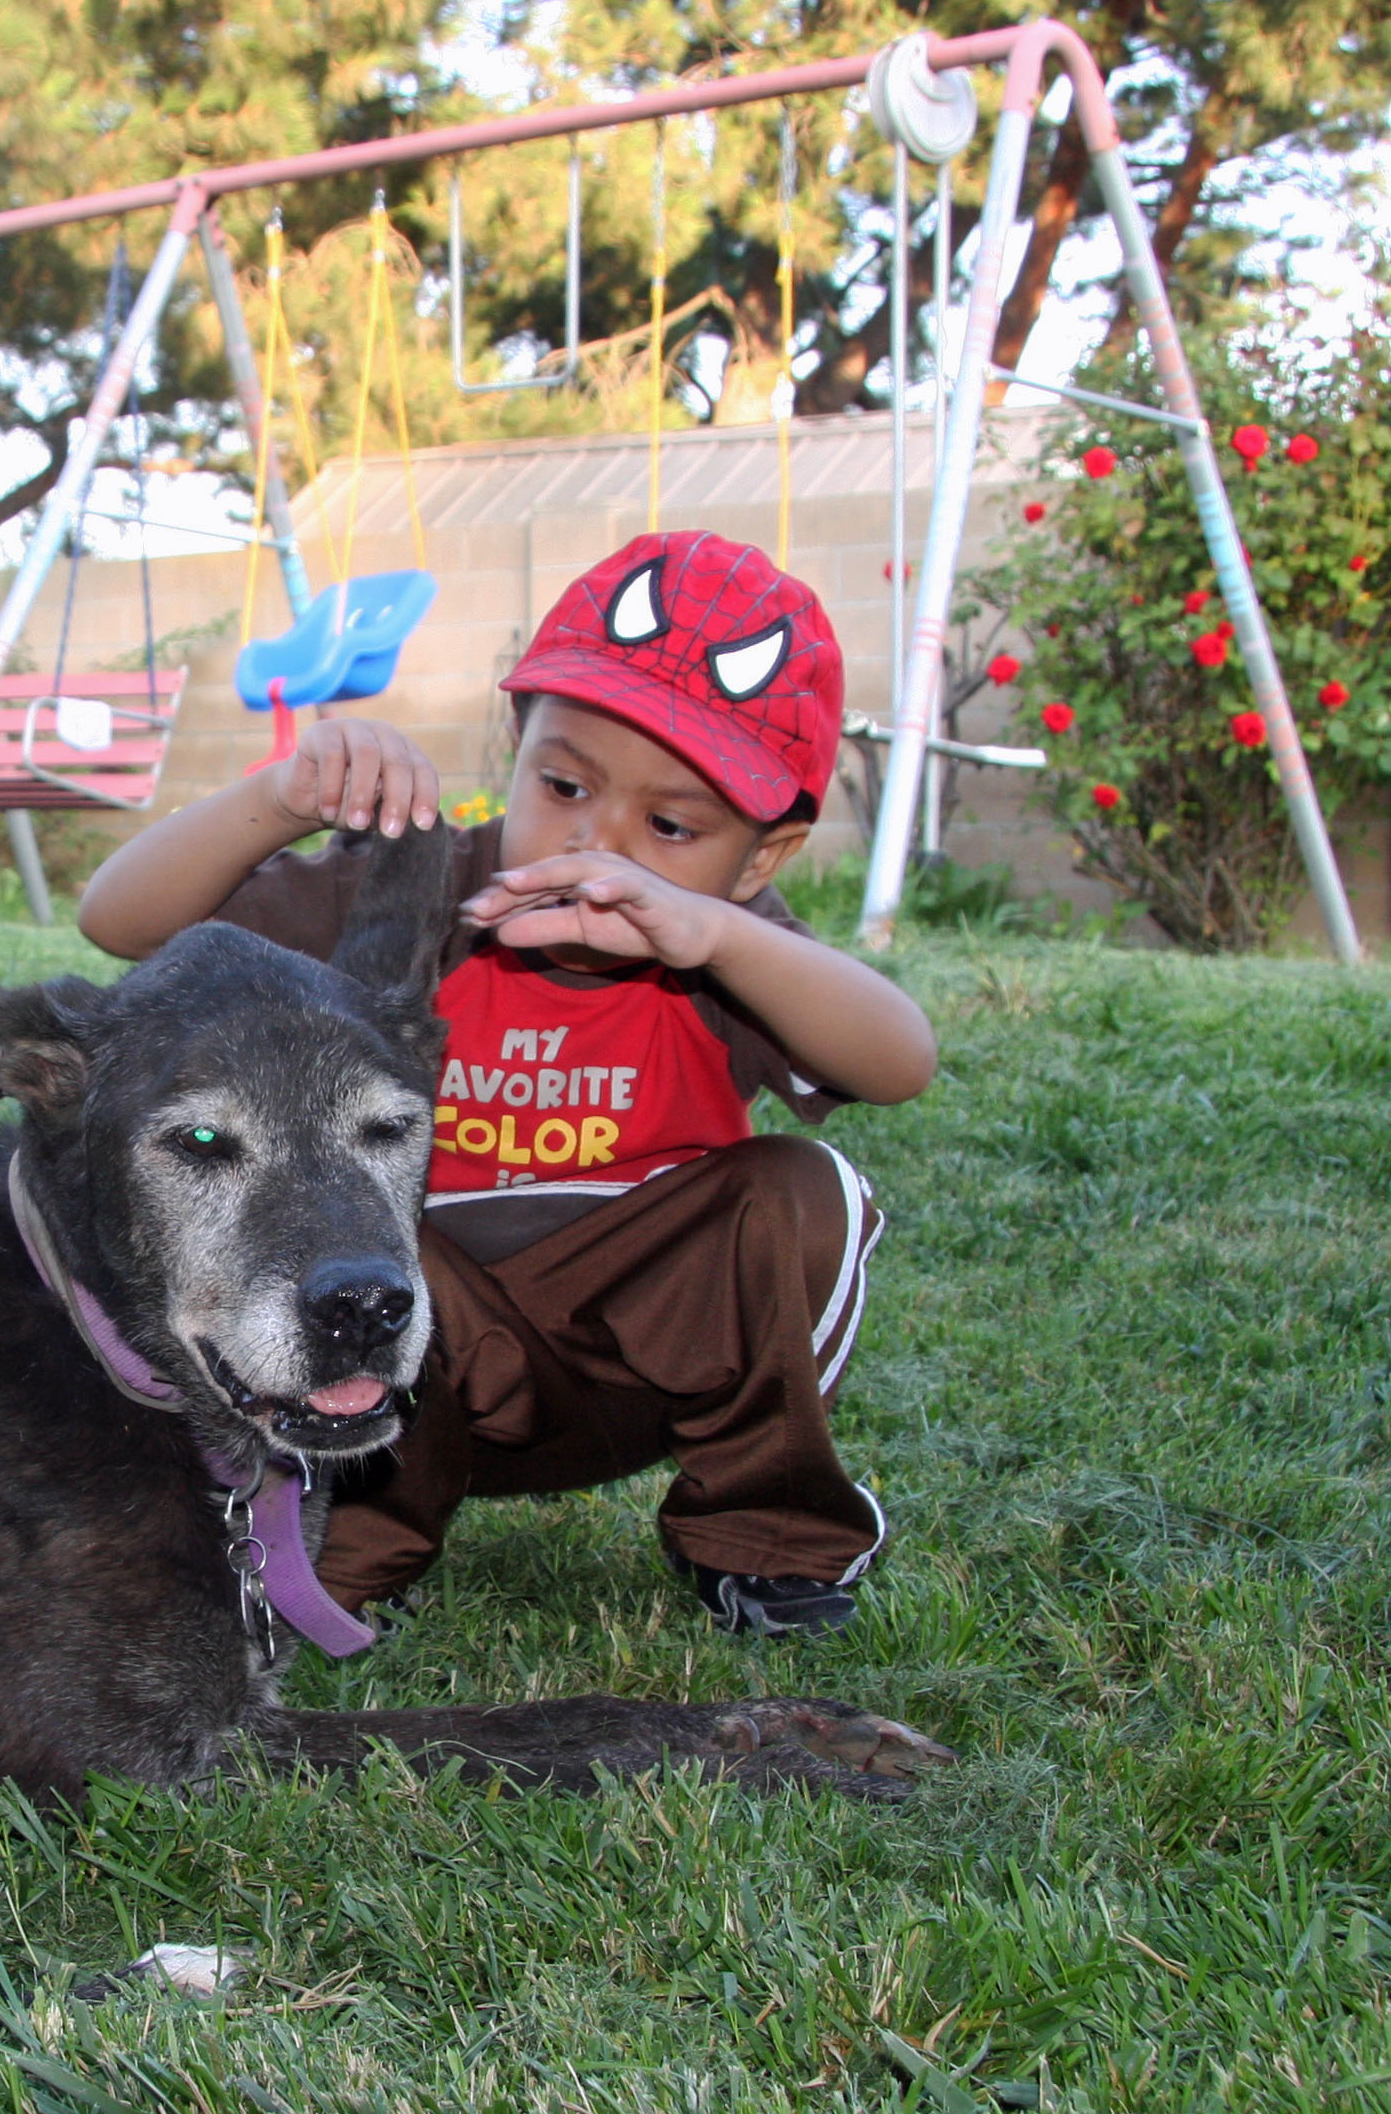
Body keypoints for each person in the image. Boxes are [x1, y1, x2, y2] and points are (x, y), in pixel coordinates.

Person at [77, 529, 937, 1636]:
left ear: (760, 858)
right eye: (563, 783)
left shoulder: (726, 949)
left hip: (642, 1376)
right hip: (400, 1351)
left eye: (671, 826)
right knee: (370, 1237)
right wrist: (284, 798)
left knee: (805, 1188)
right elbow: (121, 922)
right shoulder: (415, 885)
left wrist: (720, 937)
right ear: (514, 745)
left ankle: (767, 1544)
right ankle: (349, 1545)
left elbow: (900, 1062)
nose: (600, 839)